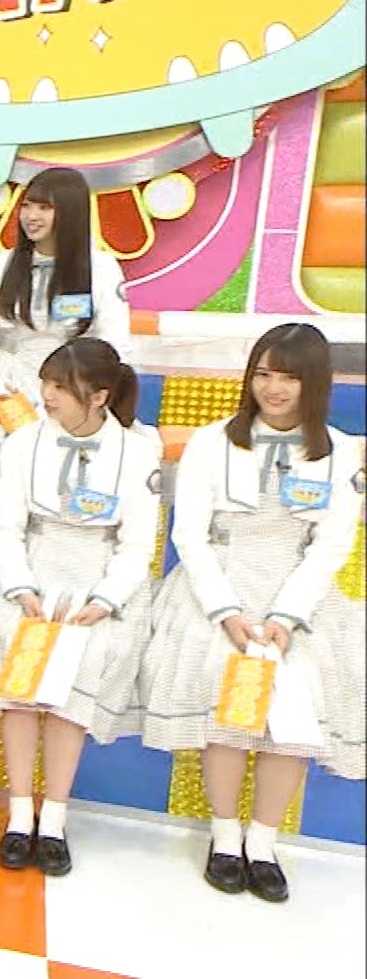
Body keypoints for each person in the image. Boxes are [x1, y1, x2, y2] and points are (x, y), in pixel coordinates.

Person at [139, 323, 365, 903]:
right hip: (221, 582)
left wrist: (286, 617)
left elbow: (332, 545)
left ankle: (262, 844)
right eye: (263, 374)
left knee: (297, 702)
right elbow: (189, 534)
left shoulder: (342, 451)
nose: (273, 388)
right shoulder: (212, 441)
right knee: (226, 687)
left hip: (298, 593)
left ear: (314, 383)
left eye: (288, 377)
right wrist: (226, 611)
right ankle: (223, 837)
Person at [0, 337, 162, 877]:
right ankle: (18, 814)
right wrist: (20, 587)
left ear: (99, 396)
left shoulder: (137, 452)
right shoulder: (21, 443)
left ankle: (53, 818)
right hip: (33, 569)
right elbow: (9, 528)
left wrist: (104, 599)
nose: (47, 397)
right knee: (18, 674)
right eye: (46, 385)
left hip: (98, 576)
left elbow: (136, 546)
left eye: (60, 388)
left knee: (78, 673)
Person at [0, 167, 132, 419]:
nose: (31, 216)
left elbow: (115, 341)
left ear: (71, 212)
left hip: (73, 388)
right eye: (26, 206)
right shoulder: (0, 265)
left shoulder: (101, 267)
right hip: (7, 387)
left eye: (44, 208)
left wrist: (86, 391)